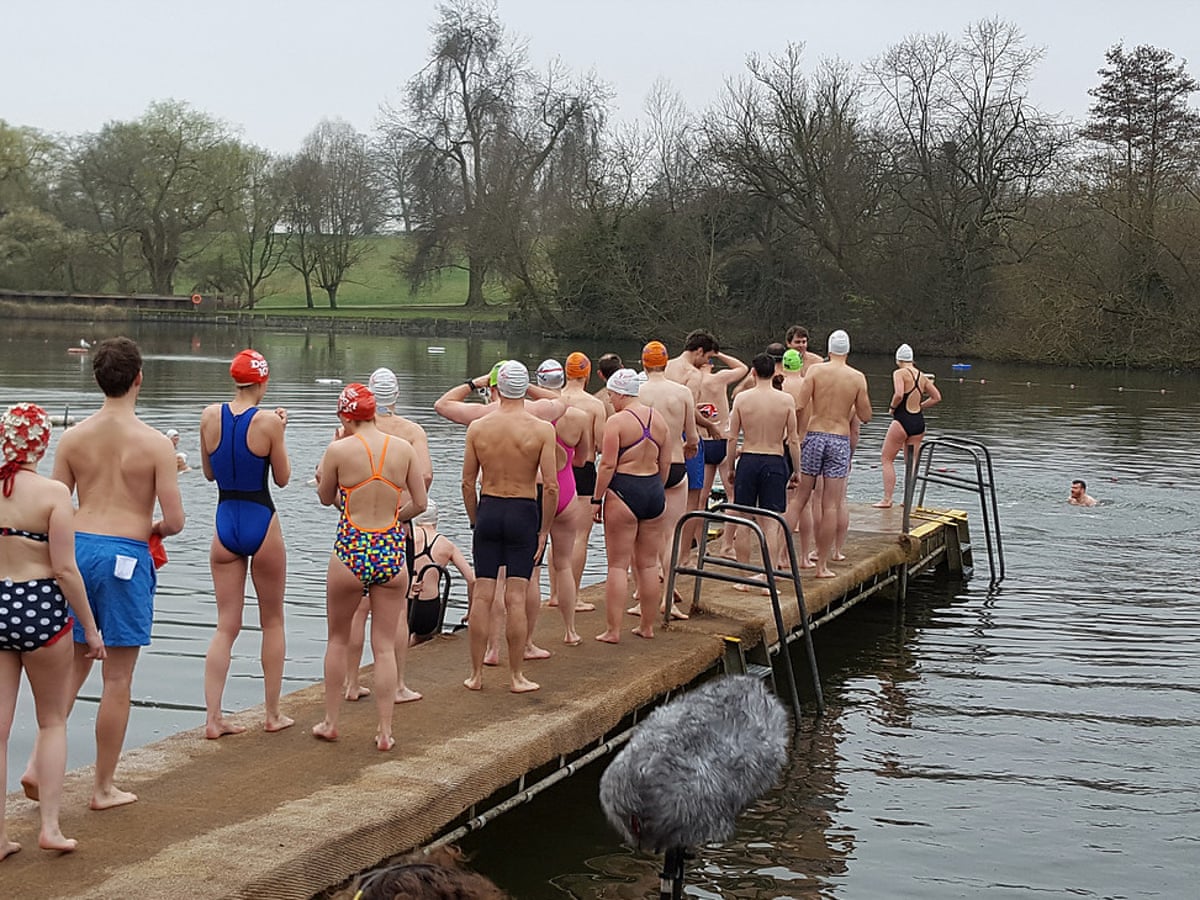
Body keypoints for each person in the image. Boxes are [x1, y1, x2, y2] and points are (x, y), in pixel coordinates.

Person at [29, 336, 184, 810]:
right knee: (117, 678)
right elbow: (175, 521)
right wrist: (150, 528)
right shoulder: (156, 444)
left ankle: (37, 763)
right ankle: (102, 787)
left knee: (75, 662)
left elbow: (55, 503)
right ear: (139, 378)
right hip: (125, 554)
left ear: (98, 380)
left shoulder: (73, 438)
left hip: (77, 551)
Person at [1, 403, 106, 858]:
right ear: (42, 445)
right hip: (41, 607)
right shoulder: (53, 494)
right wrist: (91, 629)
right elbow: (64, 569)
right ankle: (50, 828)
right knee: (52, 721)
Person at [313, 384, 428, 751]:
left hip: (351, 548)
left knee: (337, 638)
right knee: (384, 646)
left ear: (345, 416)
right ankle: (384, 732)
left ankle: (331, 722)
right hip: (390, 549)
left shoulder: (338, 449)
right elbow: (421, 503)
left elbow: (326, 497)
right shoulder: (403, 449)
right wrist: (395, 517)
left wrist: (342, 495)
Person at [199, 349, 294, 739]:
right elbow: (283, 479)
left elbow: (208, 473)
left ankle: (213, 719)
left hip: (225, 520)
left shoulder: (209, 416)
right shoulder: (269, 421)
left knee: (225, 626)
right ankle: (272, 714)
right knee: (272, 621)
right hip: (261, 519)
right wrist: (279, 431)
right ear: (263, 382)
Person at [461, 361, 557, 692]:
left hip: (489, 508)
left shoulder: (478, 427)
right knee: (516, 597)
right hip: (523, 511)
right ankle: (516, 677)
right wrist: (544, 531)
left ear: (496, 388)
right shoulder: (542, 429)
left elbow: (467, 482)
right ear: (525, 387)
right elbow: (552, 487)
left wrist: (475, 519)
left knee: (482, 595)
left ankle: (475, 675)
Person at [341, 365, 433, 702]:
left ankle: (351, 683)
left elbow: (328, 479)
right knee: (396, 611)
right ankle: (396, 686)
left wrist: (349, 510)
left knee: (358, 609)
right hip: (395, 529)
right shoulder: (411, 432)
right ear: (396, 395)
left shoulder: (350, 429)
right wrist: (400, 512)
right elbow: (425, 477)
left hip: (357, 529)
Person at [593, 368, 671, 642]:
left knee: (617, 566)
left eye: (611, 395)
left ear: (621, 393)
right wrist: (658, 489)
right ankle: (647, 627)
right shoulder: (658, 419)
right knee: (648, 565)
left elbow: (607, 465)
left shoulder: (616, 422)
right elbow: (665, 462)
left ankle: (613, 631)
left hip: (624, 490)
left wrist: (596, 499)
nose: (610, 400)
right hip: (653, 489)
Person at [793, 330, 872, 578]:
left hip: (814, 435)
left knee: (799, 499)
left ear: (828, 350)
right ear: (847, 351)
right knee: (830, 506)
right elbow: (866, 415)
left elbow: (799, 404)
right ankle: (821, 566)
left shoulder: (815, 371)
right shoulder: (857, 377)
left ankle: (780, 558)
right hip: (839, 438)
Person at [726, 355, 802, 580]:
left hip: (749, 459)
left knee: (744, 521)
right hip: (774, 460)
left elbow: (732, 437)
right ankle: (768, 575)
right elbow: (793, 440)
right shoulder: (786, 400)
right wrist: (797, 470)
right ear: (774, 373)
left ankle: (744, 578)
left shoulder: (742, 399)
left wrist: (730, 467)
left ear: (753, 372)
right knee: (770, 523)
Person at [534, 359, 592, 646]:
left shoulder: (530, 414)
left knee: (531, 570)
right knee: (564, 563)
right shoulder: (579, 416)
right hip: (567, 487)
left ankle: (528, 639)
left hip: (536, 487)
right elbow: (583, 459)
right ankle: (570, 631)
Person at [637, 341, 698, 611]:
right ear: (665, 362)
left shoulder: (637, 393)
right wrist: (687, 447)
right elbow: (693, 437)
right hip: (675, 465)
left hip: (646, 469)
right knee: (671, 533)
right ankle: (667, 598)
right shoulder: (683, 392)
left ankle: (643, 599)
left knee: (644, 535)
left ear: (643, 363)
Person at [874, 343, 941, 509]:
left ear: (898, 359)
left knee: (886, 459)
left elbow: (898, 394)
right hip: (918, 422)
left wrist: (892, 408)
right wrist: (920, 406)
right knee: (911, 463)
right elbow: (936, 397)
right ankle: (907, 500)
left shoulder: (899, 373)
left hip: (902, 420)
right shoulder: (922, 376)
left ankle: (887, 499)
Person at [406, 501, 475, 645]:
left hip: (405, 599)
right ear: (436, 519)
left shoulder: (406, 537)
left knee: (396, 637)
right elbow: (471, 579)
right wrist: (470, 610)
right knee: (422, 637)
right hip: (428, 607)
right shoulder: (447, 545)